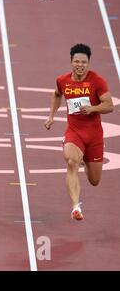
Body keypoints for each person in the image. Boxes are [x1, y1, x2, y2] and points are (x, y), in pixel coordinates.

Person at [44, 44, 113, 221]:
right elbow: (56, 94)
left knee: (94, 180)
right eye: (76, 62)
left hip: (94, 136)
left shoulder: (97, 81)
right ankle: (76, 206)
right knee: (72, 162)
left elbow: (109, 105)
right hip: (74, 132)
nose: (80, 65)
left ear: (89, 63)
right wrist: (51, 116)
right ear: (71, 62)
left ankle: (84, 158)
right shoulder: (62, 80)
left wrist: (92, 108)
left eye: (83, 62)